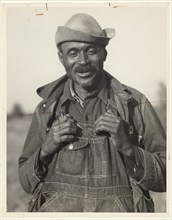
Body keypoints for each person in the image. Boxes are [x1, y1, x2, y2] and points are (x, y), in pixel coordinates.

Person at [18, 13, 166, 212]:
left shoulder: (135, 104)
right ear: (61, 58)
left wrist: (129, 149)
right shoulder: (46, 110)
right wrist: (47, 148)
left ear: (104, 54)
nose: (83, 61)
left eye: (91, 51)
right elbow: (26, 182)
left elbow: (166, 177)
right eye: (73, 53)